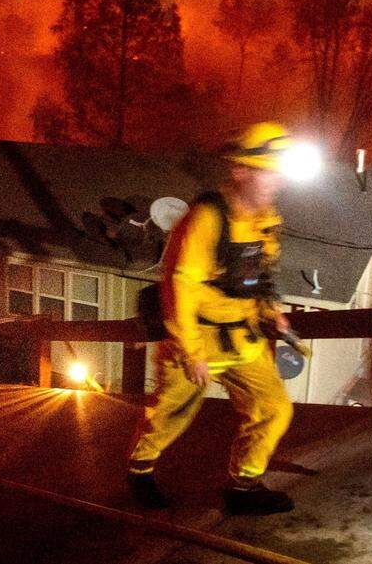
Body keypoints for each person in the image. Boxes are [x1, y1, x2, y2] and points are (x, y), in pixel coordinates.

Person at [128, 122, 298, 515]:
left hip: (243, 335)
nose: (277, 181)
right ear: (241, 171)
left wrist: (272, 314)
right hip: (198, 338)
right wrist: (189, 352)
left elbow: (259, 276)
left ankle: (244, 486)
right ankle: (140, 469)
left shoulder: (266, 219)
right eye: (268, 171)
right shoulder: (207, 219)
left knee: (273, 408)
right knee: (172, 412)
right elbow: (180, 285)